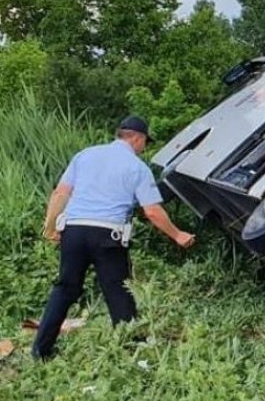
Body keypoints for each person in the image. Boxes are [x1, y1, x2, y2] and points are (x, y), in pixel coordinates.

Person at [32, 116, 196, 360]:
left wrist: (51, 227)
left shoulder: (84, 155)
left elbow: (60, 193)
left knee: (65, 288)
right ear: (137, 138)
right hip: (108, 234)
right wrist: (178, 234)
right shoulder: (137, 167)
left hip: (74, 231)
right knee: (118, 289)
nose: (143, 149)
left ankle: (40, 351)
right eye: (144, 143)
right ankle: (132, 349)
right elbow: (152, 211)